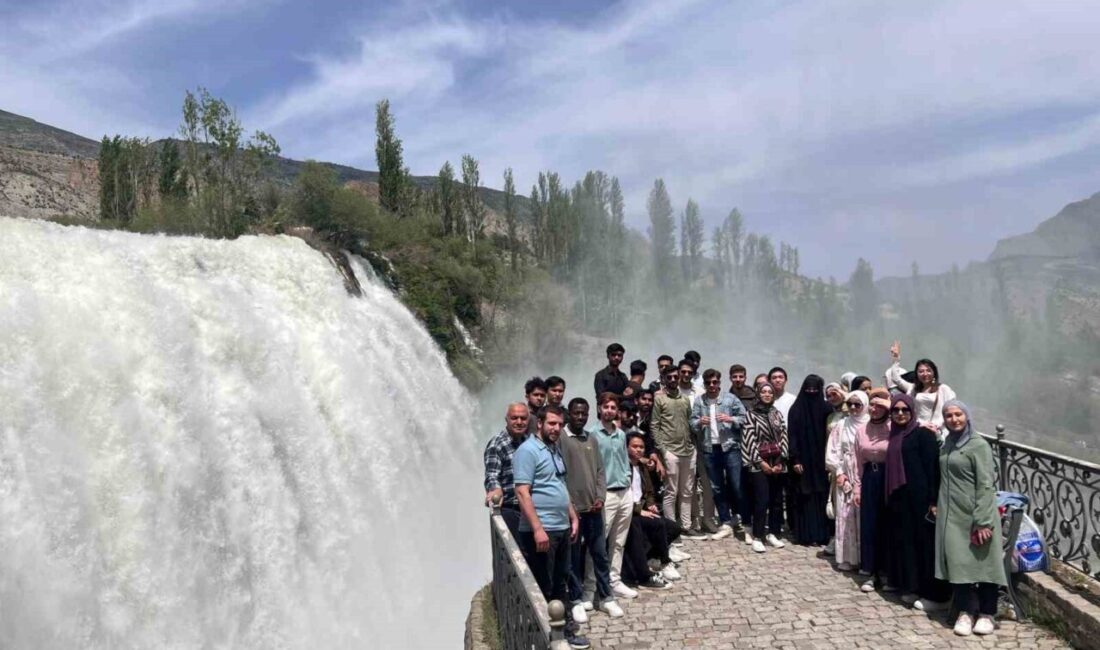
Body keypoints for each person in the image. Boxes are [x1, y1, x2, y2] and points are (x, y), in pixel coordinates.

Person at [513, 405, 590, 649]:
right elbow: (522, 492)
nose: (556, 429)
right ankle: (543, 637)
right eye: (551, 424)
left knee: (560, 581)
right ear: (540, 424)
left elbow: (559, 484)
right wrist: (537, 529)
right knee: (542, 585)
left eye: (559, 425)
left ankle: (563, 633)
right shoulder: (527, 451)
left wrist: (573, 516)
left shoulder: (554, 449)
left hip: (561, 528)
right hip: (542, 531)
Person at [935, 400, 1006, 637]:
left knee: (984, 564)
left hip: (975, 514)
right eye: (948, 415)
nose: (954, 419)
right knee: (958, 563)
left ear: (967, 417)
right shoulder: (948, 444)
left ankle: (987, 613)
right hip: (952, 516)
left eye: (958, 415)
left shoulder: (979, 446)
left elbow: (986, 485)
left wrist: (983, 520)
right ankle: (965, 611)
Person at [885, 393, 951, 611]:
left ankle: (934, 594)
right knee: (907, 543)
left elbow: (933, 469)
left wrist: (933, 501)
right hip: (901, 498)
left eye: (905, 410)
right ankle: (912, 586)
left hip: (921, 499)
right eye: (896, 410)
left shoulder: (923, 434)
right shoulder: (895, 434)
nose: (900, 414)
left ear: (912, 411)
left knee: (926, 546)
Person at [558, 398, 623, 621]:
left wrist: (601, 497)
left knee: (600, 555)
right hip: (573, 511)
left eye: (584, 413)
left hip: (595, 509)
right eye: (576, 413)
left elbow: (600, 471)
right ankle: (576, 599)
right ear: (569, 413)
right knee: (574, 557)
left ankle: (606, 598)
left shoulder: (591, 438)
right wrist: (569, 505)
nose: (580, 417)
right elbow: (559, 476)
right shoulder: (561, 439)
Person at [589, 393, 638, 600]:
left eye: (613, 407)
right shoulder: (592, 434)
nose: (609, 410)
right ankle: (590, 587)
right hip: (606, 494)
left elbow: (624, 459)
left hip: (624, 492)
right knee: (599, 543)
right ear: (599, 408)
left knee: (618, 541)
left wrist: (627, 478)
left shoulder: (620, 434)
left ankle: (614, 580)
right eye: (606, 406)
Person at [622, 433, 687, 589]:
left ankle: (652, 557)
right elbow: (623, 493)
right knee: (656, 524)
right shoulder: (623, 466)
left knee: (674, 527)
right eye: (634, 446)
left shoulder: (642, 467)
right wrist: (638, 510)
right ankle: (664, 562)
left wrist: (650, 504)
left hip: (642, 508)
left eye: (641, 447)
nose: (638, 450)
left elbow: (649, 491)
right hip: (629, 510)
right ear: (626, 447)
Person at [691, 368, 748, 540]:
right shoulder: (700, 401)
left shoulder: (730, 398)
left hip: (730, 447)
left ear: (719, 383)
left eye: (715, 382)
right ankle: (725, 521)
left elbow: (745, 418)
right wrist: (700, 421)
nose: (712, 386)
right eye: (708, 383)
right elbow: (692, 422)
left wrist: (731, 419)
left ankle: (739, 517)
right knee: (716, 487)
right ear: (705, 384)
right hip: (709, 448)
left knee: (736, 484)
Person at [652, 364, 701, 536]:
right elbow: (654, 425)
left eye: (675, 377)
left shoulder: (685, 399)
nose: (673, 380)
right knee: (671, 492)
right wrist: (663, 450)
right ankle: (671, 529)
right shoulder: (659, 399)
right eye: (669, 377)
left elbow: (691, 423)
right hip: (670, 451)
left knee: (687, 491)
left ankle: (686, 526)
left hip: (688, 450)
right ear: (664, 379)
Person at [853, 388, 893, 592]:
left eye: (880, 406)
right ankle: (870, 572)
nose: (875, 409)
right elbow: (858, 462)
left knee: (887, 525)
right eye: (872, 405)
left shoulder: (893, 427)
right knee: (869, 526)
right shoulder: (862, 430)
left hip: (889, 478)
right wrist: (857, 489)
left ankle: (887, 573)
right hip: (870, 477)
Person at [742, 382, 789, 552]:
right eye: (764, 392)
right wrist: (760, 463)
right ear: (758, 394)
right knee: (761, 500)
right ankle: (758, 536)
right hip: (759, 464)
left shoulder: (777, 414)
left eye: (770, 392)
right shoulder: (751, 414)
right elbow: (748, 440)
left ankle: (773, 533)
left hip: (777, 462)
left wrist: (779, 461)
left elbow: (783, 436)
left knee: (777, 501)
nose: (767, 394)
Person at [786, 375, 832, 546]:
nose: (812, 393)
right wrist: (795, 458)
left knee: (821, 495)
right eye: (808, 390)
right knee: (804, 496)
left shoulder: (827, 409)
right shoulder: (796, 409)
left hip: (822, 460)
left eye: (815, 390)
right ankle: (805, 534)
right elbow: (793, 436)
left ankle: (822, 534)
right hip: (803, 460)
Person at [826, 391, 867, 571]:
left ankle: (866, 558)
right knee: (845, 516)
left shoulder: (871, 424)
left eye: (857, 404)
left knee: (863, 516)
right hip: (844, 475)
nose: (853, 408)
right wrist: (839, 472)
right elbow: (832, 451)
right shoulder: (842, 425)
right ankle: (848, 558)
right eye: (850, 404)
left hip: (865, 474)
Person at [885, 341, 956, 436]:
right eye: (921, 371)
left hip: (937, 431)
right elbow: (896, 378)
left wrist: (936, 425)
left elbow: (950, 409)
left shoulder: (943, 389)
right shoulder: (913, 388)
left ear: (934, 372)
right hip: (917, 429)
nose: (925, 374)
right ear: (917, 374)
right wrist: (896, 358)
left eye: (928, 370)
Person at [484, 403, 531, 538]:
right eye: (514, 418)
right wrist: (495, 489)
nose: (519, 422)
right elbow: (492, 475)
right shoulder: (497, 444)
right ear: (507, 420)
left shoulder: (529, 442)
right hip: (510, 508)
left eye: (523, 418)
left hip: (529, 508)